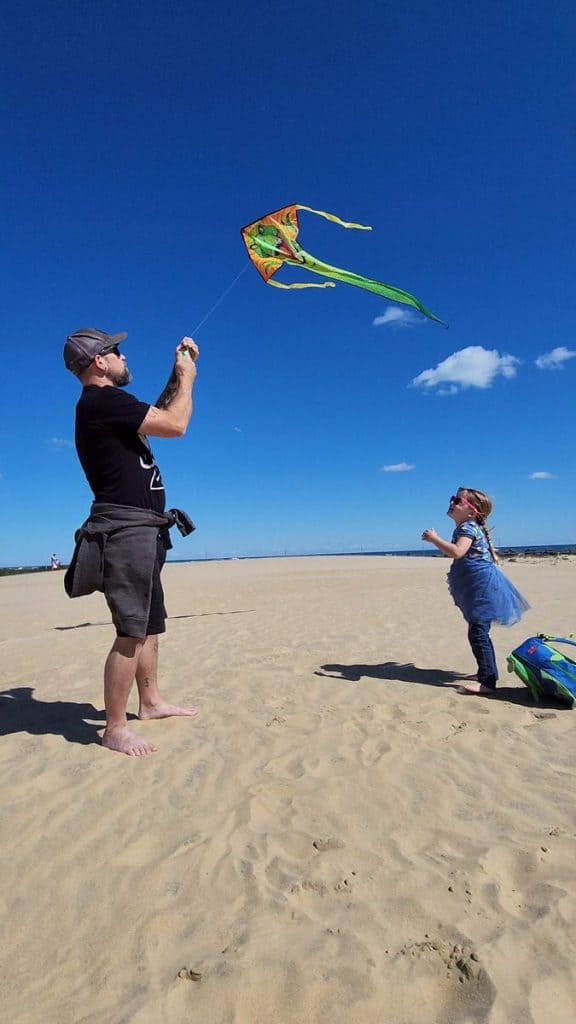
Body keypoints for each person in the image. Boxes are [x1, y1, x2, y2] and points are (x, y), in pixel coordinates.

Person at [63, 326, 200, 755]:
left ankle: (152, 702)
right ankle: (115, 727)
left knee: (150, 623)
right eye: (117, 352)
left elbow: (154, 412)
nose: (125, 358)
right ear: (100, 361)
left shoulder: (109, 406)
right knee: (130, 632)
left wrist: (178, 372)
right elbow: (174, 424)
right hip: (125, 531)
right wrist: (189, 379)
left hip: (144, 529)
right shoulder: (100, 402)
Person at [421, 487, 530, 695]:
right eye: (453, 498)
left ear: (472, 512)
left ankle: (488, 681)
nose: (452, 502)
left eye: (458, 501)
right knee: (479, 630)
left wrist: (434, 538)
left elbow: (457, 552)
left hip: (483, 587)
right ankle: (484, 672)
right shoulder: (468, 526)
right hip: (479, 585)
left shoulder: (467, 528)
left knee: (478, 632)